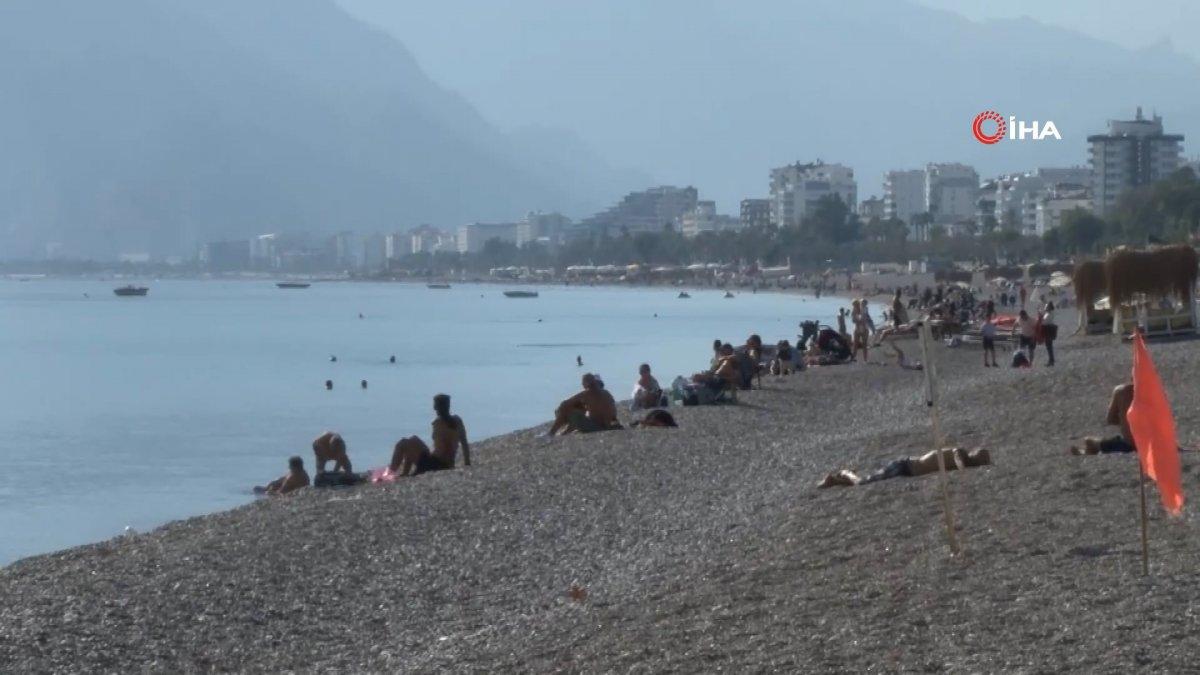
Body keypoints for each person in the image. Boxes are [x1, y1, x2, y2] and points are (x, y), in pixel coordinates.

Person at [818, 447, 991, 488]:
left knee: (866, 482)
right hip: (905, 466)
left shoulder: (964, 459)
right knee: (862, 483)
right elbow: (957, 459)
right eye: (982, 460)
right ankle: (843, 473)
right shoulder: (961, 452)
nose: (980, 463)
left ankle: (838, 479)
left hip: (909, 470)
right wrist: (964, 471)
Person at [390, 394, 472, 475]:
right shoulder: (457, 421)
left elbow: (441, 451)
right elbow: (464, 443)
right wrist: (467, 462)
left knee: (403, 443)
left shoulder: (437, 423)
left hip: (434, 465)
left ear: (436, 407)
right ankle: (405, 473)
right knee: (413, 439)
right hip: (447, 463)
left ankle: (390, 472)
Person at [1070, 383, 1136, 455]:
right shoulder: (1149, 389)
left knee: (1127, 443)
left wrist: (1126, 422)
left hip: (1130, 443)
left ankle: (1094, 446)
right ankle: (1095, 446)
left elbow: (1111, 419)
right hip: (1144, 442)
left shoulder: (1122, 391)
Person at [548, 373, 621, 435]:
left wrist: (560, 413)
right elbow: (613, 415)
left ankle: (551, 433)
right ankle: (564, 432)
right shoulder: (607, 393)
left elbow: (565, 404)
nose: (582, 385)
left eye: (583, 383)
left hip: (598, 427)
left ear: (586, 383)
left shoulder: (588, 393)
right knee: (579, 409)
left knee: (568, 410)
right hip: (606, 426)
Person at [1040, 301, 1058, 366]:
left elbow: (1044, 322)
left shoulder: (1048, 314)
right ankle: (1051, 360)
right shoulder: (1051, 313)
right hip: (1050, 330)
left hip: (1048, 330)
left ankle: (1051, 361)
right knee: (1049, 347)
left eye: (1047, 307)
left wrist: (1041, 319)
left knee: (1049, 347)